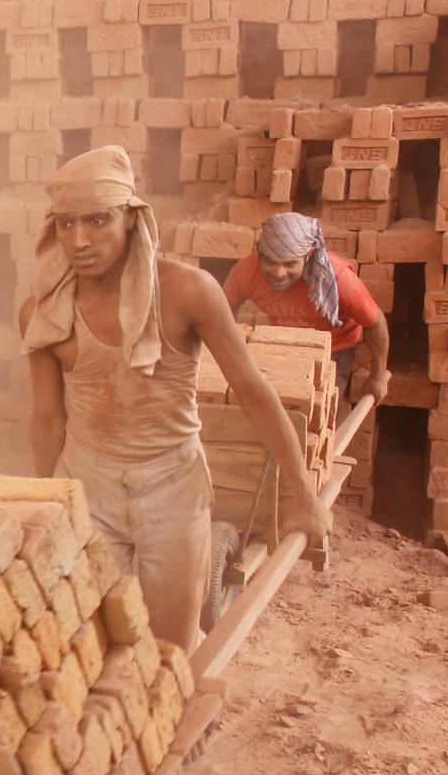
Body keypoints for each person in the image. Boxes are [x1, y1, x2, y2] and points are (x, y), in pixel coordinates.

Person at [19, 146, 329, 649]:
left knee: (169, 645)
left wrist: (304, 495)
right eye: (66, 224)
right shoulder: (45, 310)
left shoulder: (188, 292)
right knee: (91, 638)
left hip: (170, 481)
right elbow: (48, 417)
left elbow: (251, 390)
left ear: (131, 219)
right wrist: (43, 499)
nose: (80, 240)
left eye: (98, 220)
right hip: (87, 480)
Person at [222, 211, 391, 405]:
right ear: (259, 255)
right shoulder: (246, 271)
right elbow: (221, 310)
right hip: (283, 342)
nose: (278, 273)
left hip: (333, 348)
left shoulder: (337, 279)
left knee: (317, 412)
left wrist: (377, 376)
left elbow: (375, 322)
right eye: (270, 262)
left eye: (289, 264)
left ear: (308, 257)